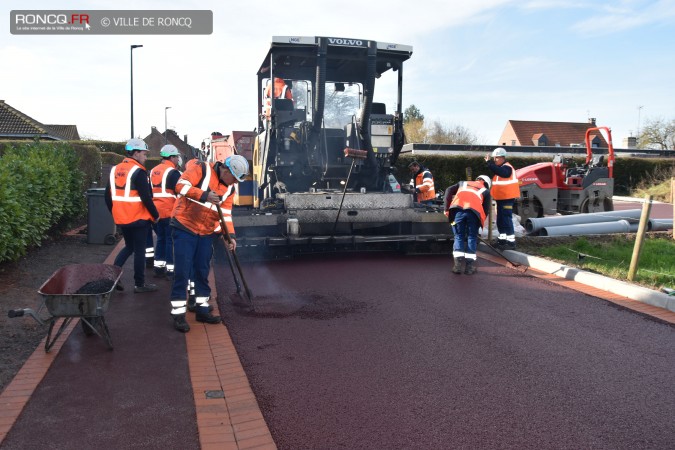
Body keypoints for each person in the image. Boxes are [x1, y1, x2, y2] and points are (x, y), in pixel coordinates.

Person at [169, 155, 249, 332]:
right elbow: (180, 186)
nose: (234, 182)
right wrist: (204, 195)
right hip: (185, 226)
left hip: (206, 232)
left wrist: (231, 237)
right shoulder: (201, 169)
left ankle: (202, 309)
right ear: (225, 170)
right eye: (234, 178)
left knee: (202, 270)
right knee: (182, 271)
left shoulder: (230, 189)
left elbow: (226, 215)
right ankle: (178, 314)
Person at [105, 138, 159, 293]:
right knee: (139, 251)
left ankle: (112, 277)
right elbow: (146, 197)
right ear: (136, 153)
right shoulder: (139, 171)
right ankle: (139, 284)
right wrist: (155, 215)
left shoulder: (115, 170)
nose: (146, 157)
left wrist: (115, 212)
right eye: (144, 154)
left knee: (129, 247)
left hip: (122, 218)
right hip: (139, 219)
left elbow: (107, 197)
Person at [444, 175, 492, 275]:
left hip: (457, 211)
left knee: (459, 236)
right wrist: (479, 223)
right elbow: (485, 210)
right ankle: (469, 268)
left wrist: (446, 209)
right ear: (487, 184)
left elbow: (448, 190)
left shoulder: (463, 183)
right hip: (474, 214)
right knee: (472, 238)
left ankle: (457, 266)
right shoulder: (486, 191)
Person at [150, 144, 182, 279]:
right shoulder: (173, 172)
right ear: (172, 157)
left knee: (160, 239)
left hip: (155, 212)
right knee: (170, 241)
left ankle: (158, 267)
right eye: (177, 157)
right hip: (169, 211)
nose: (178, 160)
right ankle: (170, 270)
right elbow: (180, 191)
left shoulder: (152, 171)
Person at [485, 147, 520, 249]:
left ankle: (511, 243)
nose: (495, 160)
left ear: (502, 158)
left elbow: (503, 173)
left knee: (506, 219)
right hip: (501, 199)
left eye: (496, 158)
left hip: (507, 199)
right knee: (500, 219)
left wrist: (489, 164)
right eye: (494, 158)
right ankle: (502, 240)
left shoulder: (507, 168)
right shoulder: (501, 169)